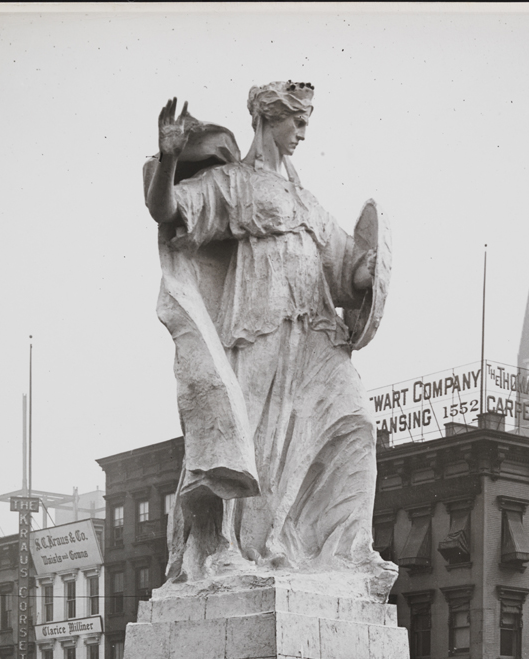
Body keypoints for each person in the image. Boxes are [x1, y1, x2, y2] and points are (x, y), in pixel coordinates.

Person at [143, 82, 395, 599]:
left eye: (305, 122)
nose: (302, 132)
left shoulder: (308, 201)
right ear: (266, 120)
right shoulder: (232, 184)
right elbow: (168, 212)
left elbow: (348, 270)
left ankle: (347, 551)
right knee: (247, 439)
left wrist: (368, 271)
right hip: (258, 327)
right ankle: (229, 549)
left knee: (355, 421)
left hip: (317, 334)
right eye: (295, 122)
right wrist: (169, 160)